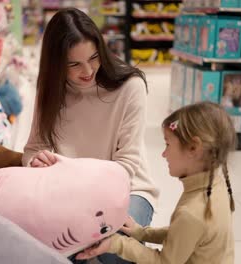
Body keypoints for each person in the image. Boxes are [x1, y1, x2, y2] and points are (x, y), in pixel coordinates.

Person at [22, 7, 159, 263]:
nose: (88, 71)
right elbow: (33, 148)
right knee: (49, 248)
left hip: (128, 190)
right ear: (56, 64)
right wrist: (35, 162)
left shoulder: (130, 87)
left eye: (94, 58)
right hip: (69, 194)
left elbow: (126, 165)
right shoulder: (50, 89)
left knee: (114, 249)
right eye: (74, 64)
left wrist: (87, 209)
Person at [76, 102, 236, 264]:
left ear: (194, 148)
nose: (163, 154)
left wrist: (117, 243)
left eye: (168, 144)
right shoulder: (217, 185)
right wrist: (143, 233)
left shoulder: (191, 213)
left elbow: (165, 262)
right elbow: (185, 235)